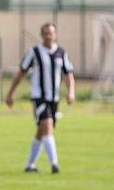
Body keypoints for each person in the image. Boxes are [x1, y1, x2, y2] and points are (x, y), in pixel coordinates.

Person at [5, 22, 75, 173]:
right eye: (45, 33)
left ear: (55, 34)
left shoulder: (61, 53)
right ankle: (54, 164)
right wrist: (10, 93)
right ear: (41, 35)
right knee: (47, 126)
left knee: (41, 131)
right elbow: (21, 72)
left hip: (54, 99)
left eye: (51, 32)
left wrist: (71, 92)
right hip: (39, 98)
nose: (48, 35)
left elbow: (68, 74)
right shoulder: (34, 52)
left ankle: (30, 165)